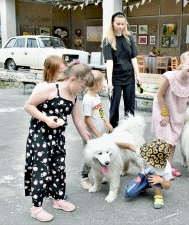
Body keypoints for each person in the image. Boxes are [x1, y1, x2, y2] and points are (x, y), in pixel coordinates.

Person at [24, 64, 93, 222]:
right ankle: (36, 207)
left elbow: (78, 121)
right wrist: (46, 119)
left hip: (58, 138)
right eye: (82, 86)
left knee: (59, 169)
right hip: (40, 136)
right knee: (41, 170)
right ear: (73, 79)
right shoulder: (50, 89)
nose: (82, 90)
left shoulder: (74, 98)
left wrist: (90, 142)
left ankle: (58, 199)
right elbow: (28, 105)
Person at [151, 51, 189, 179]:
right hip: (162, 108)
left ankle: (168, 167)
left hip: (177, 112)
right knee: (165, 140)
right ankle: (158, 168)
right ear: (182, 63)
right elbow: (159, 95)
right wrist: (164, 114)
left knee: (173, 141)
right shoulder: (170, 77)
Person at [103, 11, 141, 128]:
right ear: (113, 23)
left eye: (122, 24)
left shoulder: (129, 38)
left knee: (130, 105)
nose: (120, 26)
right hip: (115, 77)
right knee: (114, 106)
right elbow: (109, 61)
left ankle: (129, 128)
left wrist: (137, 75)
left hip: (129, 76)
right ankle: (112, 130)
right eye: (118, 24)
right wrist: (109, 80)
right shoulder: (107, 40)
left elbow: (133, 58)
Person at [80, 70, 113, 189]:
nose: (104, 84)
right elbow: (87, 120)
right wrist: (97, 134)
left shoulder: (96, 96)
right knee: (90, 158)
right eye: (102, 81)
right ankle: (84, 177)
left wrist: (106, 122)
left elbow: (100, 110)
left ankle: (99, 175)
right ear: (97, 84)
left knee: (101, 155)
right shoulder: (87, 100)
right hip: (92, 136)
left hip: (100, 133)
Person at [116, 138, 171, 209]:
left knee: (154, 177)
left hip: (156, 179)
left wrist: (161, 180)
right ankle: (141, 186)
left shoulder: (166, 168)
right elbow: (129, 146)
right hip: (145, 175)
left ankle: (159, 197)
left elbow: (167, 186)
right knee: (128, 193)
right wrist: (114, 143)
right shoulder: (146, 153)